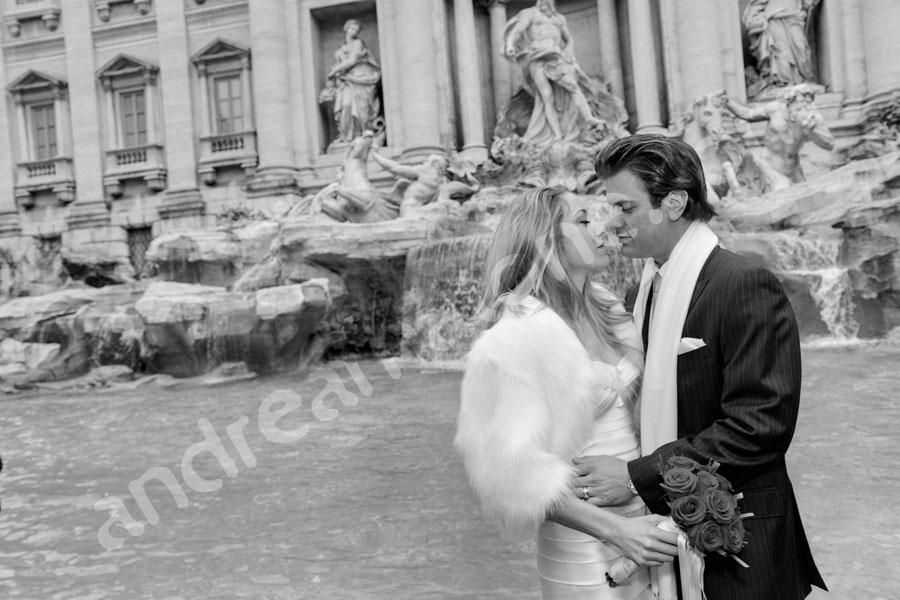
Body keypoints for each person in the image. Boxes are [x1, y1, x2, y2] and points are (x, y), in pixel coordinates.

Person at [578, 134, 827, 599]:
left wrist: (636, 476)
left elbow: (760, 427)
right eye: (609, 207)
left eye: (626, 208)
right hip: (665, 537)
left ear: (673, 203)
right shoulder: (641, 294)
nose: (613, 222)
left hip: (740, 543)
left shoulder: (742, 283)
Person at [455, 187, 679, 599]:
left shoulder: (610, 308)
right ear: (546, 242)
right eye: (582, 221)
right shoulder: (513, 338)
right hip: (584, 544)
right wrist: (619, 531)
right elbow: (512, 475)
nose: (602, 227)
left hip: (648, 521)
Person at [502, 0, 603, 146]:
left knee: (573, 86)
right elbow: (517, 30)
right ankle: (557, 135)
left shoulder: (558, 18)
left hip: (556, 57)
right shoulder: (529, 14)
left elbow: (569, 40)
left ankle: (588, 118)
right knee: (546, 96)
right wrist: (510, 44)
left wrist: (568, 49)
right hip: (536, 57)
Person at [725, 84, 834, 192]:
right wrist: (727, 102)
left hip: (794, 169)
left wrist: (813, 130)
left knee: (807, 198)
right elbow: (748, 114)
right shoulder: (775, 109)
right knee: (783, 195)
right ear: (790, 101)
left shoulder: (812, 119)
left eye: (807, 104)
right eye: (799, 103)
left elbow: (829, 144)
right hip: (770, 166)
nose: (804, 107)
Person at [321, 19, 381, 145]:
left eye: (357, 30)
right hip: (346, 82)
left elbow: (352, 60)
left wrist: (335, 70)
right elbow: (339, 65)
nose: (354, 32)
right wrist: (334, 77)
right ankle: (345, 136)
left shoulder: (358, 43)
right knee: (346, 104)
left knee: (362, 109)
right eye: (352, 29)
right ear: (346, 28)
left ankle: (360, 134)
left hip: (360, 78)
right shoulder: (340, 49)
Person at [742, 0, 819, 93]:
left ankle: (801, 79)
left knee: (800, 48)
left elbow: (808, 3)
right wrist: (753, 19)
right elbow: (756, 5)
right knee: (780, 52)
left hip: (794, 16)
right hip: (775, 19)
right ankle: (782, 82)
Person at [370, 151, 478, 216]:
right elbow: (454, 187)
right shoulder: (438, 180)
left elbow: (395, 168)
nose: (425, 163)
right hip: (415, 211)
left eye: (427, 162)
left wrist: (375, 155)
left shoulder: (427, 173)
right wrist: (472, 188)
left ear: (433, 163)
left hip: (412, 211)